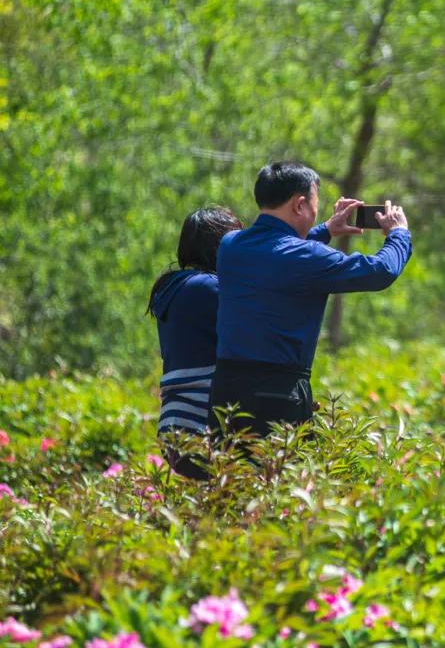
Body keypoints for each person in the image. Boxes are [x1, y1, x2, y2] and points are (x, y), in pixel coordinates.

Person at [211, 160, 412, 438]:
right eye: (316, 202)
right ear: (299, 204)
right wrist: (399, 235)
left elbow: (277, 254)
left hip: (225, 391)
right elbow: (381, 271)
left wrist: (326, 229)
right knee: (280, 479)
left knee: (229, 477)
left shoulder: (230, 245)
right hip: (277, 395)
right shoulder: (307, 258)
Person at [148, 206, 244, 479]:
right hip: (203, 423)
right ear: (220, 246)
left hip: (175, 422)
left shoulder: (175, 287)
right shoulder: (208, 288)